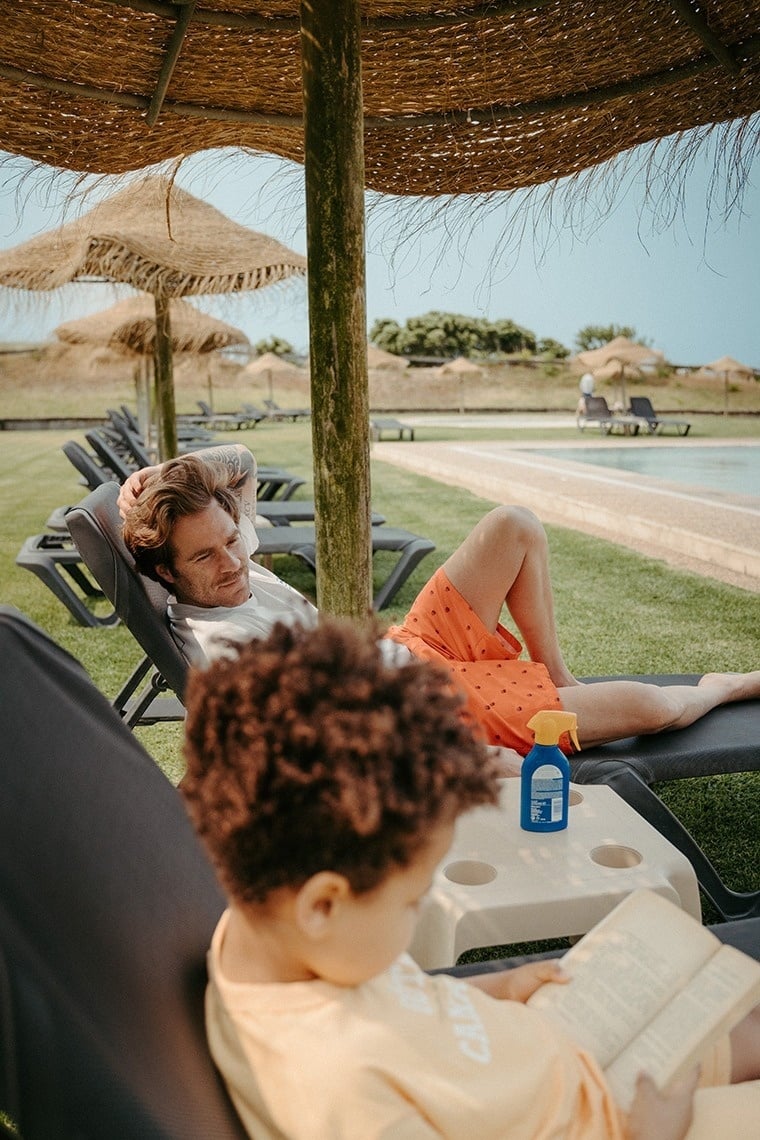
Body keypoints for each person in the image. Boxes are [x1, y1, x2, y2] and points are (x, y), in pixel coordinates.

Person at [181, 617, 760, 1140]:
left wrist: (498, 988)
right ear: (323, 905)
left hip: (564, 1048)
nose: (421, 907)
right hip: (612, 1122)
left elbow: (404, 1004)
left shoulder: (275, 938)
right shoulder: (343, 1097)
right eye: (412, 900)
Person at [119, 443, 760, 759]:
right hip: (434, 708)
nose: (235, 562)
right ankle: (724, 686)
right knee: (651, 707)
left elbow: (243, 461)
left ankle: (559, 679)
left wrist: (162, 476)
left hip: (406, 649)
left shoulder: (225, 556)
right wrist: (477, 759)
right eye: (205, 556)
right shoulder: (225, 650)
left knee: (513, 525)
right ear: (166, 573)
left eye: (233, 539)